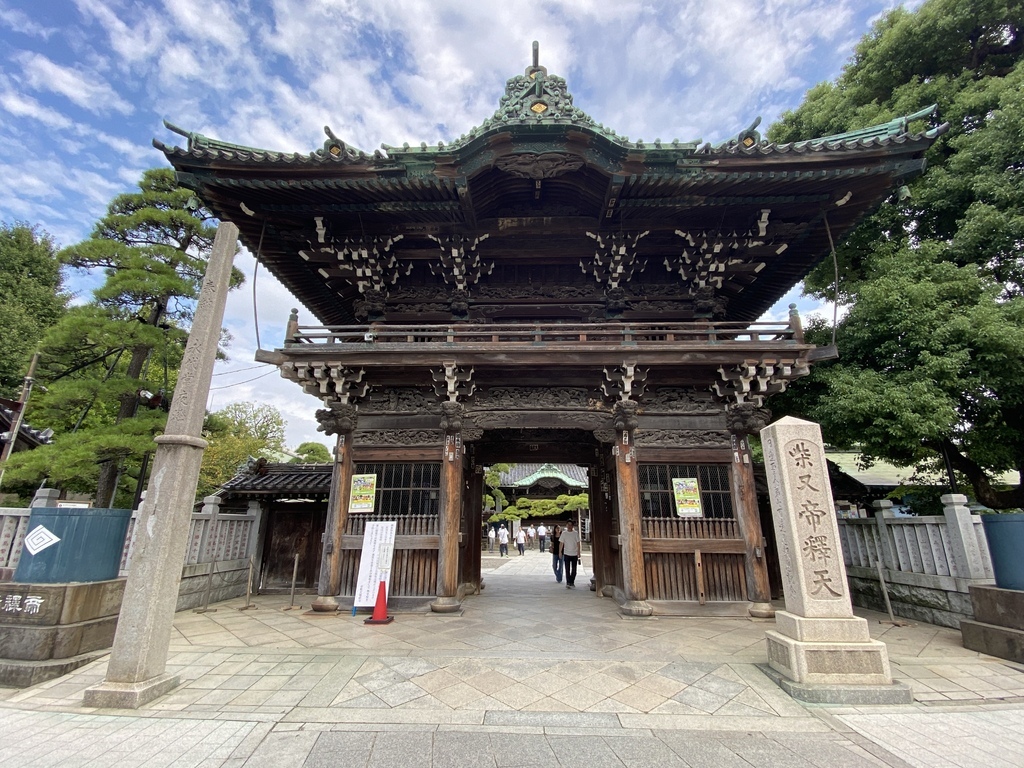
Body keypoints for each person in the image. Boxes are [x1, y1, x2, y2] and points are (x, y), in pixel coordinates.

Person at [560, 520, 581, 589]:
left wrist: (578, 552)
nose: (569, 526)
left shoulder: (575, 533)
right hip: (566, 553)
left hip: (574, 553)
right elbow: (561, 543)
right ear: (566, 525)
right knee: (567, 569)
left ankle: (572, 581)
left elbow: (578, 543)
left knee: (574, 569)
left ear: (572, 526)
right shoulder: (564, 533)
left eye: (570, 525)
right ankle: (568, 582)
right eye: (568, 524)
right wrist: (560, 551)